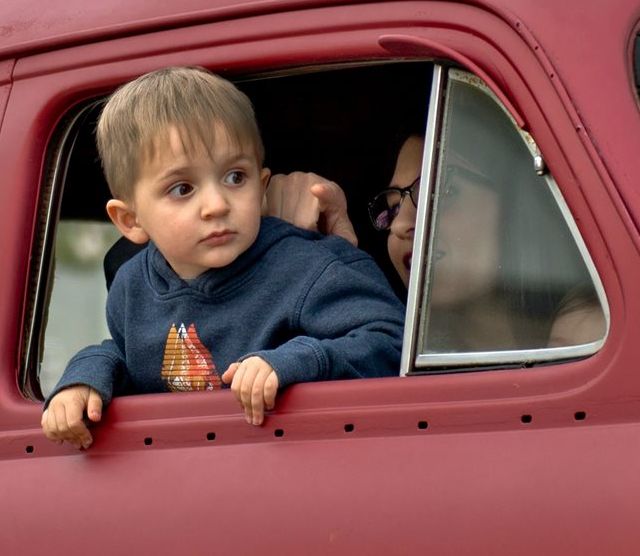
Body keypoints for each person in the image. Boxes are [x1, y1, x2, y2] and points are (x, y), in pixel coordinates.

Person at [42, 66, 404, 449]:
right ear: (130, 220)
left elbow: (391, 342)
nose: (216, 205)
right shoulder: (131, 287)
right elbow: (130, 354)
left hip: (299, 463)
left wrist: (294, 362)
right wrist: (83, 380)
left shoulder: (310, 267)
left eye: (235, 177)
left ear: (261, 187)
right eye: (182, 188)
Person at [367, 134, 605, 350]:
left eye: (440, 192)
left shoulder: (590, 342)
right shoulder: (398, 357)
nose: (398, 225)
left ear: (520, 202)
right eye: (393, 208)